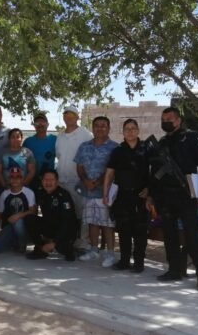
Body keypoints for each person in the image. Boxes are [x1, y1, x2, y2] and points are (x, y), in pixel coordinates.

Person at [147, 107, 198, 292]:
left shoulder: (191, 138)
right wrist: (152, 194)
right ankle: (174, 270)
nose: (165, 121)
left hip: (186, 195)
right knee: (170, 235)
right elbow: (155, 172)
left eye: (169, 118)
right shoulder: (162, 143)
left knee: (193, 236)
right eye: (163, 119)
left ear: (178, 120)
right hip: (165, 196)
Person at [103, 119, 149, 273]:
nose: (130, 131)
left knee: (140, 232)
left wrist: (149, 190)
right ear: (122, 132)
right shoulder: (118, 151)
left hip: (141, 197)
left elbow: (154, 172)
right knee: (124, 230)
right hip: (122, 196)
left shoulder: (147, 149)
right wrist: (105, 194)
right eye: (127, 129)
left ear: (138, 131)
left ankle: (139, 263)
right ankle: (124, 261)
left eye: (133, 128)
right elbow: (109, 173)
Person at [74, 116, 119, 267]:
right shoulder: (84, 146)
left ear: (109, 128)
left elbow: (113, 170)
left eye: (103, 125)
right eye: (97, 125)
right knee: (92, 222)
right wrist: (85, 181)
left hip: (105, 193)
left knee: (107, 224)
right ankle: (94, 250)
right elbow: (79, 167)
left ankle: (110, 254)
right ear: (92, 128)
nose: (100, 128)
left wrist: (99, 182)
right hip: (87, 191)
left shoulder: (115, 147)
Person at [55, 105, 93, 252]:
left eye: (72, 115)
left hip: (79, 181)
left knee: (81, 213)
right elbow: (59, 156)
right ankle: (66, 240)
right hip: (62, 181)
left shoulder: (86, 135)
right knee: (65, 213)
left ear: (77, 117)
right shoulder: (60, 136)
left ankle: (83, 242)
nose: (68, 118)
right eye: (66, 115)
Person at [24, 170, 77, 261]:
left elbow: (67, 221)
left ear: (57, 181)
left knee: (64, 249)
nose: (48, 183)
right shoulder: (41, 192)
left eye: (51, 180)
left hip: (65, 230)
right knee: (30, 219)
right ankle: (41, 249)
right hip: (50, 226)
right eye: (45, 180)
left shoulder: (63, 195)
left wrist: (54, 243)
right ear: (42, 181)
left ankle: (67, 248)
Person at [0, 167, 37, 253]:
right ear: (8, 179)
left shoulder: (29, 192)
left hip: (24, 226)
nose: (15, 180)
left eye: (18, 177)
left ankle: (23, 243)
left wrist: (19, 215)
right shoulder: (4, 194)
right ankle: (15, 242)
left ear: (22, 179)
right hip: (9, 226)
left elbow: (33, 211)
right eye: (12, 177)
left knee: (18, 222)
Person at [23, 112, 57, 190]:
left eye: (43, 122)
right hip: (32, 180)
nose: (40, 124)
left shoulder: (54, 140)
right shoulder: (28, 142)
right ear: (34, 125)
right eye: (37, 123)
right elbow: (22, 162)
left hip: (49, 181)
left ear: (47, 124)